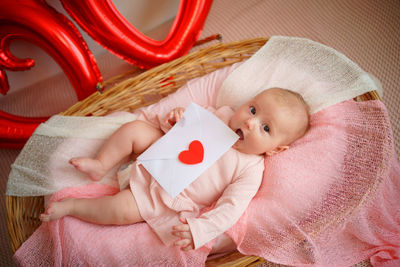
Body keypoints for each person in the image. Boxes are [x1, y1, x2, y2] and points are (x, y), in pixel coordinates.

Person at [40, 87, 309, 251]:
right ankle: (102, 164)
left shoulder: (251, 169)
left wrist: (199, 230)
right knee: (134, 130)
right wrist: (176, 118)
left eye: (265, 128)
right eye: (252, 110)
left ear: (274, 149)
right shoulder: (223, 115)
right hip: (161, 149)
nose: (250, 123)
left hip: (165, 193)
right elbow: (181, 125)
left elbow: (231, 209)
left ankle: (74, 207)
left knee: (120, 210)